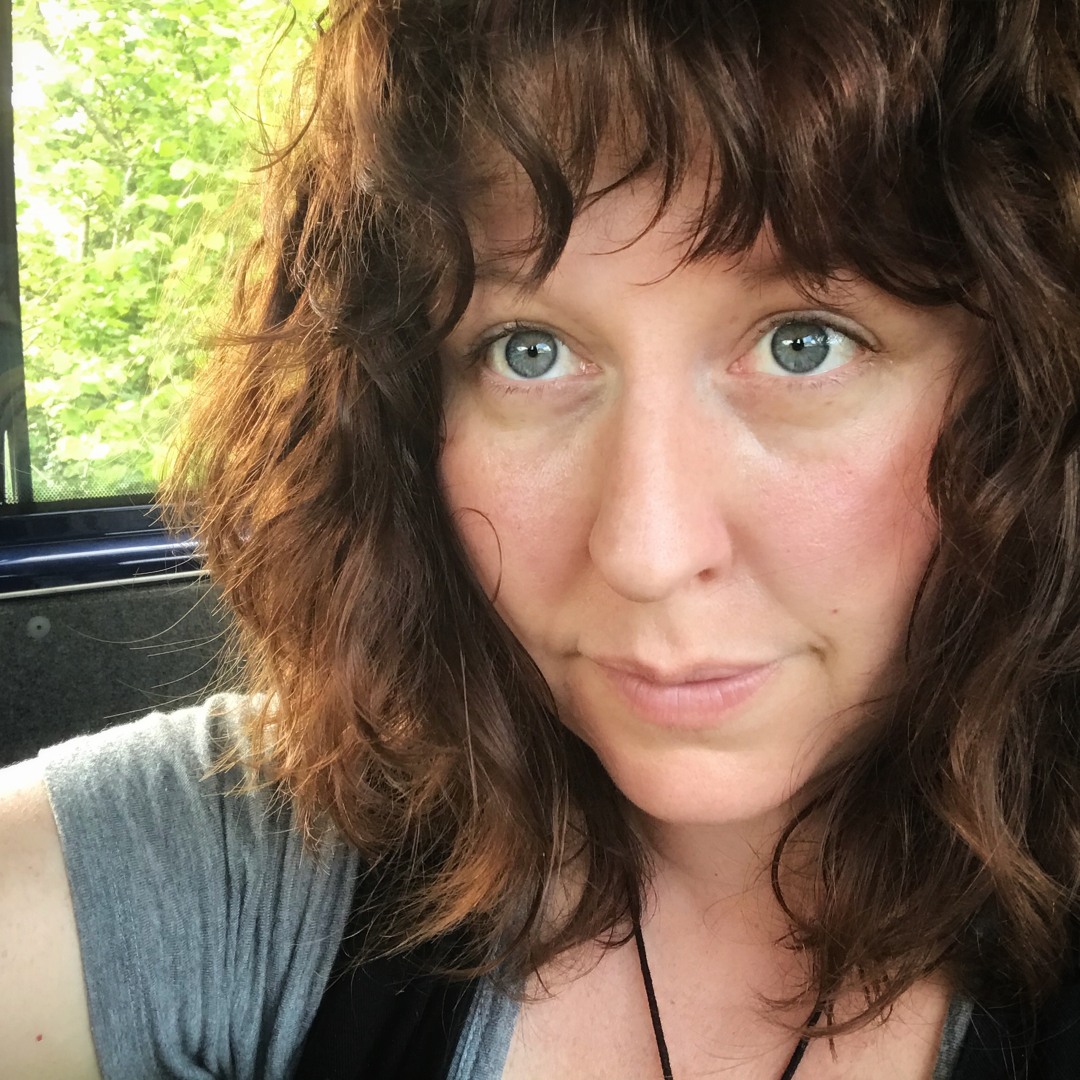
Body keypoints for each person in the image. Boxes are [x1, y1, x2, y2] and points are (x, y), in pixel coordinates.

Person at [3, 0, 1080, 1076]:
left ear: (1025, 401)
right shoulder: (275, 857)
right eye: (530, 351)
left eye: (805, 344)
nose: (647, 553)